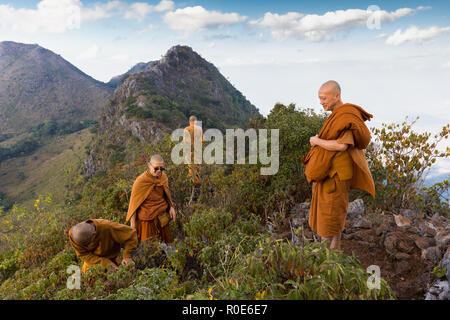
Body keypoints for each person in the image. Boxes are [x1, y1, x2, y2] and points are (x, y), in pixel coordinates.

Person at [302, 80, 375, 250]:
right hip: (330, 175)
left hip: (335, 179)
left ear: (337, 96)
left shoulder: (346, 117)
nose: (321, 102)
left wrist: (316, 141)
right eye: (320, 98)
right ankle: (334, 261)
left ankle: (329, 265)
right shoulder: (338, 116)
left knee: (330, 223)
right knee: (331, 222)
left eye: (324, 98)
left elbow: (342, 146)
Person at [126, 154, 176, 243]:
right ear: (149, 165)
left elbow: (167, 194)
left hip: (162, 217)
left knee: (168, 245)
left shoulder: (163, 177)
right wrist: (133, 226)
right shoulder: (140, 181)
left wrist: (171, 207)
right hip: (147, 220)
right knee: (150, 249)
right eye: (156, 168)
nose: (159, 171)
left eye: (162, 168)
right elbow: (133, 204)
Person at [69, 219, 138, 273]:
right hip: (92, 263)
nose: (88, 246)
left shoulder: (107, 227)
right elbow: (83, 254)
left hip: (111, 258)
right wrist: (105, 263)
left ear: (94, 234)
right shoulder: (74, 235)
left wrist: (127, 256)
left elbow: (131, 234)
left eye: (89, 243)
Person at [184, 115, 203, 203]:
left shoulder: (187, 129)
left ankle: (192, 194)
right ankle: (197, 191)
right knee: (198, 171)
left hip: (190, 153)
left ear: (189, 121)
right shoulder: (199, 129)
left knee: (191, 172)